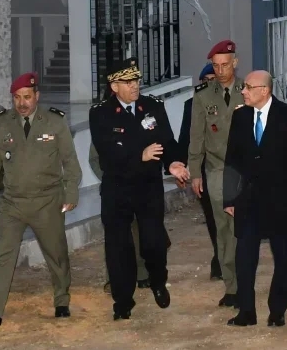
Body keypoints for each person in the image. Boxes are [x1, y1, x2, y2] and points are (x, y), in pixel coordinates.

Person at [0, 73, 82, 327]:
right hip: (13, 203)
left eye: (27, 97)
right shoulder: (1, 124)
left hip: (47, 201)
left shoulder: (54, 122)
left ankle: (61, 300)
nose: (22, 103)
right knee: (2, 256)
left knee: (56, 254)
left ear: (37, 96)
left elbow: (70, 162)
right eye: (17, 98)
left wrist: (71, 193)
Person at [89, 57, 189, 320]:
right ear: (114, 86)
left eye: (136, 80)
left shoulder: (152, 106)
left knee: (154, 242)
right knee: (118, 248)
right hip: (117, 189)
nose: (135, 85)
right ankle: (123, 301)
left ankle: (158, 281)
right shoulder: (100, 113)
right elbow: (107, 154)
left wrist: (173, 162)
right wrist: (139, 155)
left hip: (148, 187)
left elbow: (167, 141)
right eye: (128, 82)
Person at [222, 70, 287, 327]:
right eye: (243, 87)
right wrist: (229, 199)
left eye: (248, 87)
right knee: (244, 258)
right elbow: (232, 161)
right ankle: (246, 311)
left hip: (284, 204)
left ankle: (277, 311)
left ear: (264, 90)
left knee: (284, 259)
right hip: (248, 202)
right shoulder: (240, 117)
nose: (243, 91)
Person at [188, 40, 245, 307]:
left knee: (243, 229)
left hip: (246, 171)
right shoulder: (203, 96)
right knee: (223, 231)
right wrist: (195, 172)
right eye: (215, 66)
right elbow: (196, 137)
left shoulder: (250, 90)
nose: (220, 71)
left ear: (235, 62)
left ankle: (245, 282)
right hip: (217, 171)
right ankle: (231, 286)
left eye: (225, 65)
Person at [88, 143, 150, 291]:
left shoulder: (138, 127)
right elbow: (94, 159)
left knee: (138, 231)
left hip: (137, 186)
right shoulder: (103, 129)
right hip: (113, 189)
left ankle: (142, 273)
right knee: (114, 235)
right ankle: (114, 278)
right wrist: (110, 177)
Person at [178, 63, 220, 280]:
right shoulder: (192, 104)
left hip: (228, 169)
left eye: (214, 79)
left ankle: (230, 259)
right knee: (212, 216)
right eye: (206, 80)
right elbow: (185, 138)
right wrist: (181, 166)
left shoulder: (234, 100)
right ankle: (220, 259)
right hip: (203, 170)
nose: (210, 83)